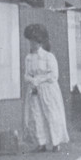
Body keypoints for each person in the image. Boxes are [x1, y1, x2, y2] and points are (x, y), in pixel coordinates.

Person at [20, 22, 69, 151]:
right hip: (34, 90)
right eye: (30, 41)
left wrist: (39, 80)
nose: (32, 44)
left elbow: (54, 75)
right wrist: (32, 80)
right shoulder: (29, 58)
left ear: (40, 42)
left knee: (51, 114)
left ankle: (55, 142)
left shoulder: (48, 57)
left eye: (35, 41)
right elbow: (26, 74)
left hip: (48, 89)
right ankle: (41, 143)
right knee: (36, 115)